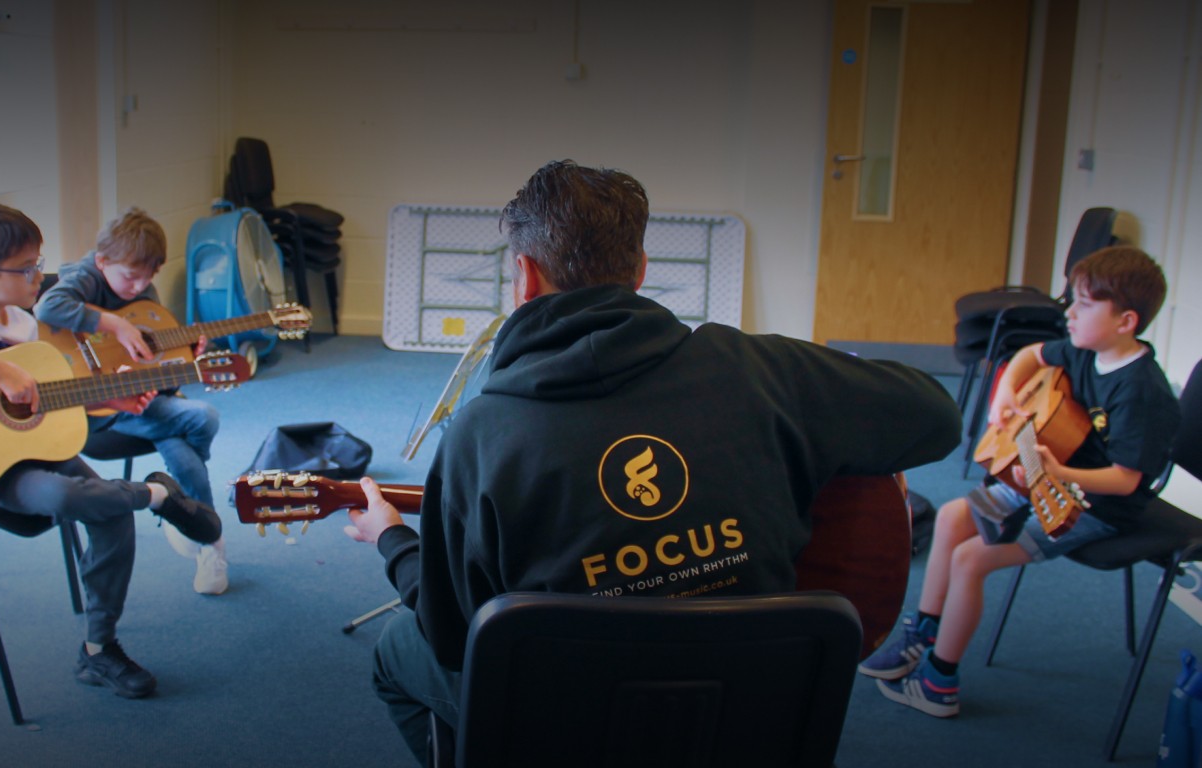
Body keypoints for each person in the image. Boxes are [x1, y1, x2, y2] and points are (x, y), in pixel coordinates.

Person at [342, 159, 965, 761]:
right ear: (639, 270)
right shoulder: (760, 369)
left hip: (566, 726)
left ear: (525, 279)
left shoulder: (478, 436)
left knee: (398, 651)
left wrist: (393, 541)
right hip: (748, 710)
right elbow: (936, 419)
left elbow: (452, 639)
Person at [0, 201, 225, 699]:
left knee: (105, 509)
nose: (40, 274)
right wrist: (4, 372)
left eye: (38, 261)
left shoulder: (24, 325)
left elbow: (43, 403)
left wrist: (113, 398)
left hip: (29, 448)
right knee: (66, 498)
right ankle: (158, 496)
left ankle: (99, 650)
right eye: (27, 267)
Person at [861, 245, 1179, 718]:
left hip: (1092, 507)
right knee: (950, 516)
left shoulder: (1141, 393)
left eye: (1084, 305)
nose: (1068, 313)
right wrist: (1005, 394)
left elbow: (1127, 482)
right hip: (1047, 476)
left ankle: (939, 682)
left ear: (1125, 322)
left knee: (970, 559)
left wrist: (1059, 472)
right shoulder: (1085, 349)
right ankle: (924, 629)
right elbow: (1031, 354)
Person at [36, 207, 229, 596]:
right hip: (93, 410)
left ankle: (195, 526)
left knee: (183, 438)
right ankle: (206, 535)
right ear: (102, 260)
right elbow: (47, 308)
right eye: (130, 275)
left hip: (139, 402)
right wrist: (114, 324)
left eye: (148, 276)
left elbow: (155, 364)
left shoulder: (143, 293)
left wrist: (185, 349)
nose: (139, 286)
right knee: (202, 419)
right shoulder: (84, 277)